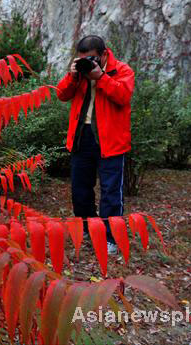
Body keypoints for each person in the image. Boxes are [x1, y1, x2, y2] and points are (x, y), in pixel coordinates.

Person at [56, 35, 135, 254]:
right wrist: (73, 76)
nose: (87, 62)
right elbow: (61, 95)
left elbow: (123, 96)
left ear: (103, 54)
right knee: (80, 189)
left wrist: (100, 77)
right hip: (83, 138)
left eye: (90, 58)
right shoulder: (79, 73)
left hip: (110, 140)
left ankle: (111, 237)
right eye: (82, 58)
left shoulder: (122, 70)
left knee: (110, 191)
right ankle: (88, 229)